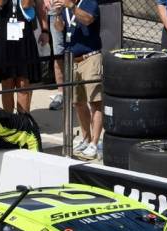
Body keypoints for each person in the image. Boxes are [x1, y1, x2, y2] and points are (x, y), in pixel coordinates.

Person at [53, 0, 102, 160]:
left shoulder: (89, 2)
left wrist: (72, 7)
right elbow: (60, 28)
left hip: (90, 57)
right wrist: (58, 15)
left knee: (95, 102)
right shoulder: (66, 7)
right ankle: (86, 138)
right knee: (78, 102)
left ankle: (95, 143)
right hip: (72, 60)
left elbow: (88, 19)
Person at [0, 0, 41, 113]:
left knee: (23, 83)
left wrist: (45, 30)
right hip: (5, 35)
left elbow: (26, 4)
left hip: (24, 35)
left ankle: (23, 124)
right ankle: (10, 122)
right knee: (7, 83)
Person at [39, 0, 65, 110]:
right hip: (50, 12)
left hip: (68, 11)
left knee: (63, 53)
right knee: (57, 53)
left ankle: (67, 92)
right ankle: (61, 93)